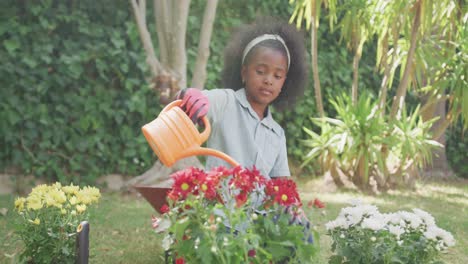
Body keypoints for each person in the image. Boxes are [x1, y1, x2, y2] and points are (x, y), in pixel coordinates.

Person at [176, 16, 308, 179]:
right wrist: (188, 95)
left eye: (277, 75)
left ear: (285, 83)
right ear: (244, 73)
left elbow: (280, 186)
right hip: (219, 204)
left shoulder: (277, 134)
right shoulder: (225, 102)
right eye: (260, 72)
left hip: (260, 206)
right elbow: (194, 99)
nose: (268, 80)